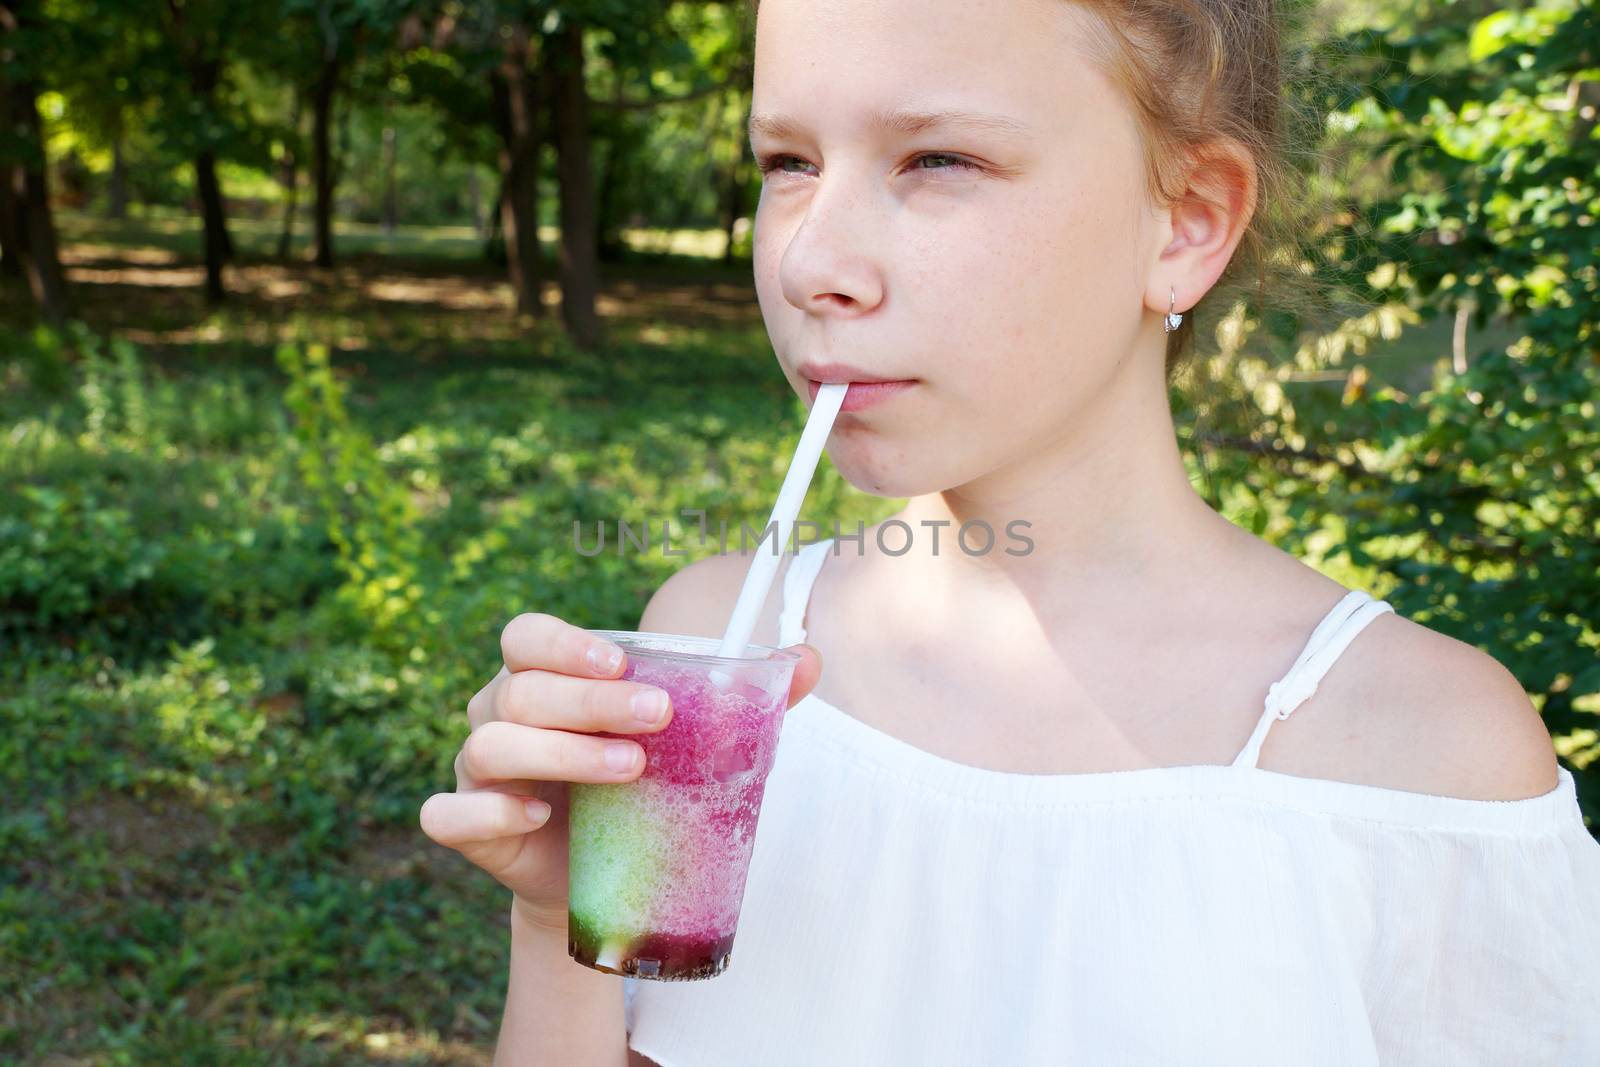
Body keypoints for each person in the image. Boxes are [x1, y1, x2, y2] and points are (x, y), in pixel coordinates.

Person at [418, 0, 1600, 1063]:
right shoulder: (712, 655)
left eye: (938, 159)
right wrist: (557, 921)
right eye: (786, 161)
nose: (811, 260)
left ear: (1185, 220)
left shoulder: (1421, 755)